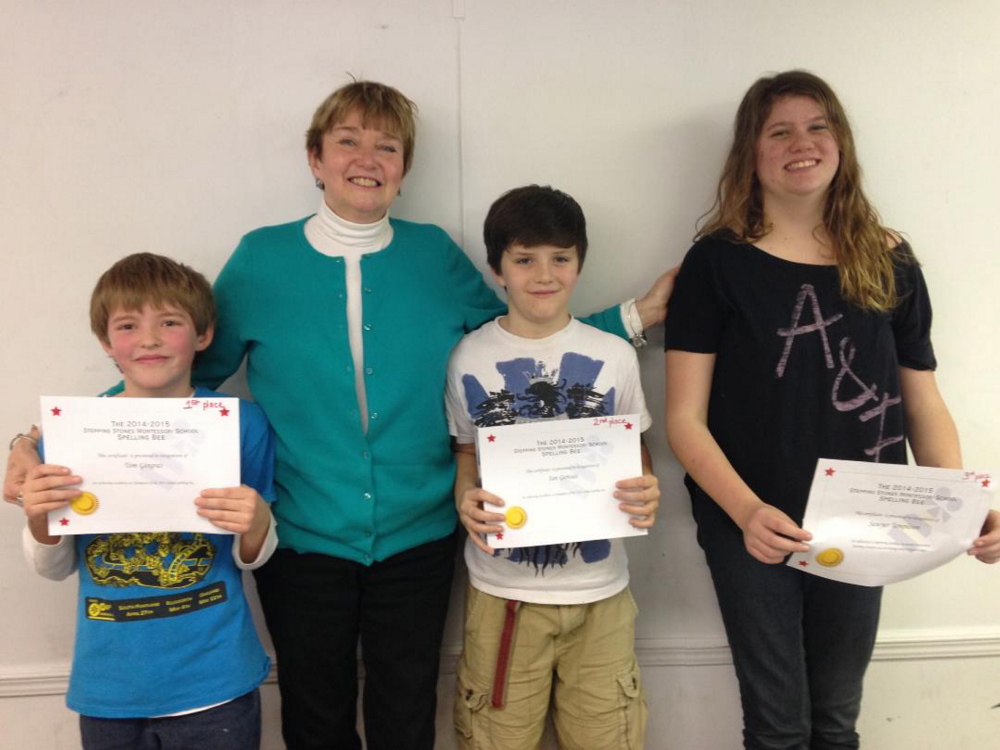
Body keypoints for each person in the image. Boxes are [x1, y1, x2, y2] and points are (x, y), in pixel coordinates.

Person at [6, 80, 676, 750]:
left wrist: (631, 318)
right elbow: (173, 379)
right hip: (302, 533)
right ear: (314, 158)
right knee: (316, 712)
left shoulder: (434, 255)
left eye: (387, 146)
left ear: (404, 169)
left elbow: (527, 334)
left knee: (406, 710)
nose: (368, 157)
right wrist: (41, 441)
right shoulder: (260, 260)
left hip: (420, 533)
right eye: (348, 141)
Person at [664, 70, 1000, 750]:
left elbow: (922, 400)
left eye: (818, 126)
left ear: (841, 142)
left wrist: (957, 501)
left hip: (867, 521)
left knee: (835, 722)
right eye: (779, 130)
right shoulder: (715, 265)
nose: (802, 143)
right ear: (750, 152)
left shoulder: (889, 260)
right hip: (752, 522)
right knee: (779, 726)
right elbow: (683, 419)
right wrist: (746, 512)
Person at [19, 253, 277, 749]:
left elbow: (255, 555)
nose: (150, 339)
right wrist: (38, 519)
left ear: (202, 335)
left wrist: (259, 521)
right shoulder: (69, 433)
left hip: (216, 680)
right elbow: (53, 566)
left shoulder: (242, 425)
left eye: (170, 322)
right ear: (106, 341)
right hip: (109, 684)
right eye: (128, 325)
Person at [446, 185, 658, 749]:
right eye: (524, 259)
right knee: (496, 738)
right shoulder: (468, 357)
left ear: (579, 263)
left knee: (608, 737)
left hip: (601, 593)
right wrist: (465, 498)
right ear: (498, 269)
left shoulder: (614, 355)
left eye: (560, 258)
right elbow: (466, 452)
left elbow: (635, 444)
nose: (544, 275)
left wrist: (645, 487)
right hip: (502, 595)